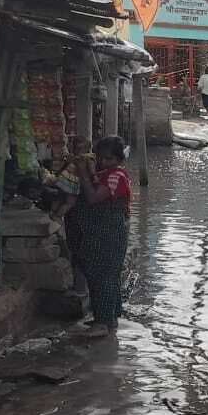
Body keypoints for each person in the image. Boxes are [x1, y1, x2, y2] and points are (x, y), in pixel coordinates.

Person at [73, 136, 133, 338]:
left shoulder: (115, 176)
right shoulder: (108, 173)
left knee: (103, 276)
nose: (103, 162)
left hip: (109, 232)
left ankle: (103, 323)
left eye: (108, 159)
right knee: (106, 275)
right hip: (106, 231)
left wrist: (82, 174)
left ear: (118, 159)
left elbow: (93, 198)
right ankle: (108, 319)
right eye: (100, 158)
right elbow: (96, 182)